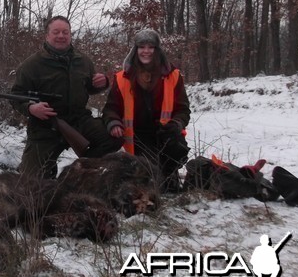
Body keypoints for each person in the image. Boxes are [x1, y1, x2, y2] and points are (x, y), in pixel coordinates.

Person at [10, 16, 116, 178]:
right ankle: (48, 170)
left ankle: (81, 172)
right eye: (56, 32)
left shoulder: (83, 61)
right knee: (31, 182)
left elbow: (89, 88)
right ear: (47, 35)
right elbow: (16, 96)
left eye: (65, 32)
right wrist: (31, 108)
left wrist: (102, 83)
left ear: (70, 35)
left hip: (79, 121)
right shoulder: (31, 65)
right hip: (45, 127)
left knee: (113, 137)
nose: (61, 36)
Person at [101, 29, 190, 191]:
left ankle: (170, 173)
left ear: (157, 50)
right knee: (149, 176)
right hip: (137, 137)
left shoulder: (173, 76)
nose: (146, 51)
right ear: (135, 50)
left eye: (151, 47)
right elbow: (110, 108)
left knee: (177, 150)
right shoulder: (122, 77)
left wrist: (177, 124)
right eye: (142, 47)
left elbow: (183, 109)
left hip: (164, 134)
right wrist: (113, 123)